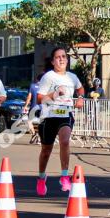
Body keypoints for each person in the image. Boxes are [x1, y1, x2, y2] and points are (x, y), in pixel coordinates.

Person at [35, 47, 85, 196]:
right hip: (48, 117)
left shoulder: (72, 77)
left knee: (65, 141)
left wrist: (81, 98)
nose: (61, 59)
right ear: (53, 61)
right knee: (46, 151)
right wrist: (55, 93)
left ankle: (64, 176)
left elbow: (81, 89)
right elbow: (39, 98)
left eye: (64, 56)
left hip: (65, 115)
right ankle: (41, 177)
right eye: (58, 57)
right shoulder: (48, 77)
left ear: (67, 60)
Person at [24, 73, 43, 144]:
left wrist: (25, 106)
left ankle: (34, 133)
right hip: (42, 108)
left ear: (37, 79)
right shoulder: (45, 87)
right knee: (41, 123)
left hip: (33, 107)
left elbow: (29, 97)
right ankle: (39, 139)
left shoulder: (32, 86)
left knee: (29, 121)